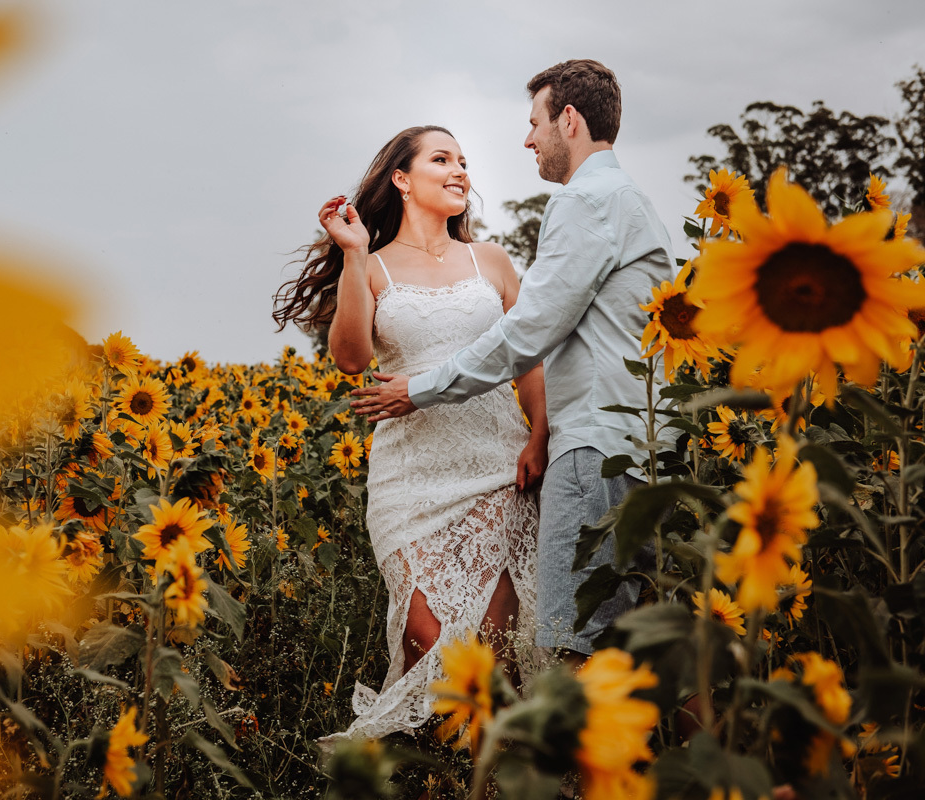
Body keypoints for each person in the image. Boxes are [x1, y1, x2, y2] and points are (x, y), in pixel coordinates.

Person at [350, 60, 675, 669]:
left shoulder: (585, 203)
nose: (528, 139)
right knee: (650, 641)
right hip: (646, 438)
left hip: (595, 444)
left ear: (568, 121)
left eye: (535, 123)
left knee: (568, 641)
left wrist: (420, 389)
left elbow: (527, 335)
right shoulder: (631, 200)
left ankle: (572, 764)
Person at [273, 125, 549, 744]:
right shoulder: (370, 267)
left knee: (496, 649)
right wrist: (349, 254)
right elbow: (350, 357)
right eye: (442, 159)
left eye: (464, 162)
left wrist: (539, 438)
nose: (460, 171)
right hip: (410, 477)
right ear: (402, 179)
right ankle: (436, 770)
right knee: (428, 641)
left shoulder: (493, 261)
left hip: (496, 464)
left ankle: (486, 780)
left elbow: (528, 358)